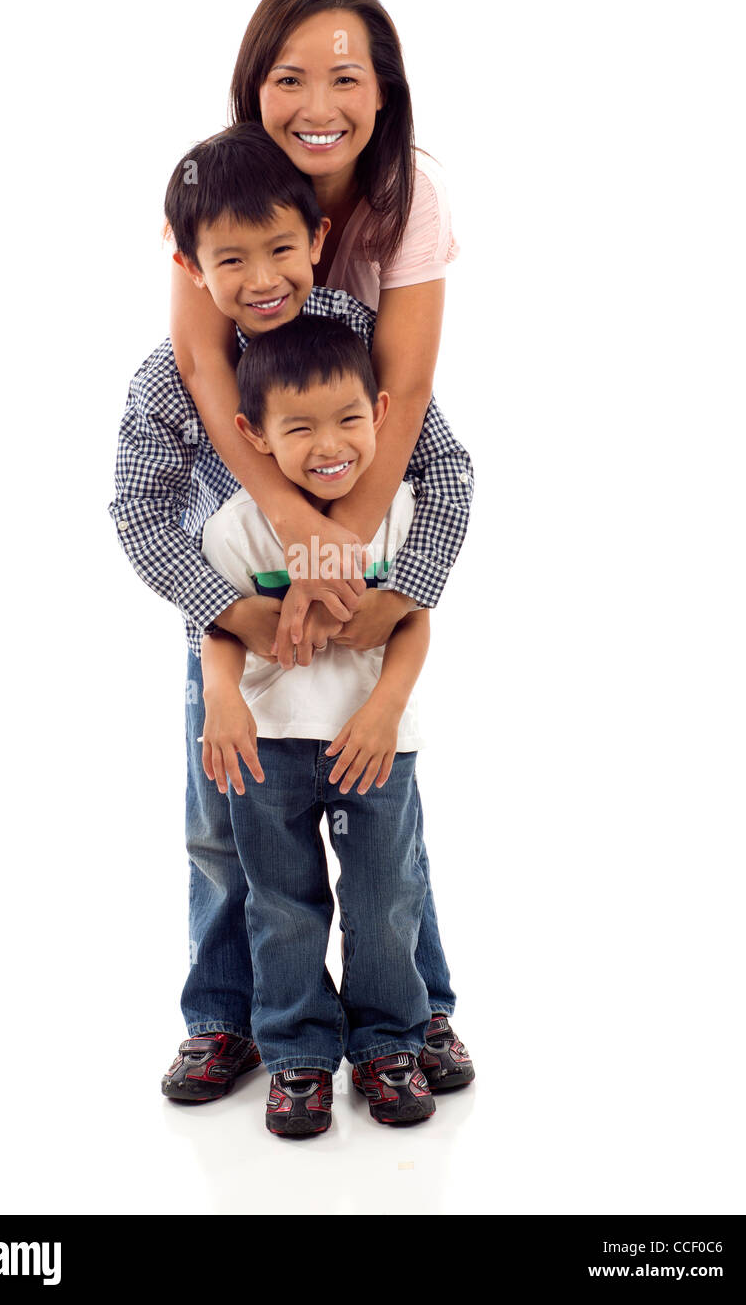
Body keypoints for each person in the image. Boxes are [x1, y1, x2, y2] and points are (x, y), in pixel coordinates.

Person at [110, 124, 474, 1104]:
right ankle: (228, 1021)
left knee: (386, 837)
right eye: (230, 260)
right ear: (188, 264)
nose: (262, 278)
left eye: (281, 250)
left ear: (316, 238)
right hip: (232, 633)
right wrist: (229, 614)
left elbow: (439, 463)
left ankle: (415, 1010)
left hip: (363, 626)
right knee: (222, 833)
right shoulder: (172, 378)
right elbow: (137, 510)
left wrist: (405, 588)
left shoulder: (353, 334)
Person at [200, 313, 448, 1136]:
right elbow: (218, 625)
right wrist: (223, 699)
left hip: (374, 748)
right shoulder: (237, 526)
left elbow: (414, 622)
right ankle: (297, 1052)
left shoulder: (399, 509)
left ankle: (388, 1043)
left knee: (384, 898)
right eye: (297, 426)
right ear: (253, 436)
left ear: (379, 412)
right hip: (269, 750)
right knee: (283, 905)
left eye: (346, 418)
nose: (328, 443)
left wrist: (384, 711)